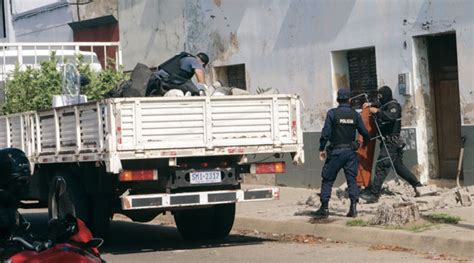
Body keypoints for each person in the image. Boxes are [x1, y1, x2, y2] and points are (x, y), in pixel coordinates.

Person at [313, 88, 369, 218]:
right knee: (352, 180)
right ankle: (353, 208)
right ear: (350, 100)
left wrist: (321, 148)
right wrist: (364, 143)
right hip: (350, 152)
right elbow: (364, 132)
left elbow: (325, 134)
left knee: (328, 179)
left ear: (338, 99)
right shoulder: (355, 114)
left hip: (336, 152)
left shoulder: (332, 113)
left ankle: (324, 208)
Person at [360, 85, 423, 203]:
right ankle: (417, 185)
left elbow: (389, 116)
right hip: (390, 142)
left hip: (391, 142)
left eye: (380, 97)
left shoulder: (394, 106)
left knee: (382, 165)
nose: (379, 100)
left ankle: (374, 195)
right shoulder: (385, 105)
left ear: (386, 97)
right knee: (398, 167)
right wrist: (371, 105)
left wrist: (376, 111)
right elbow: (380, 105)